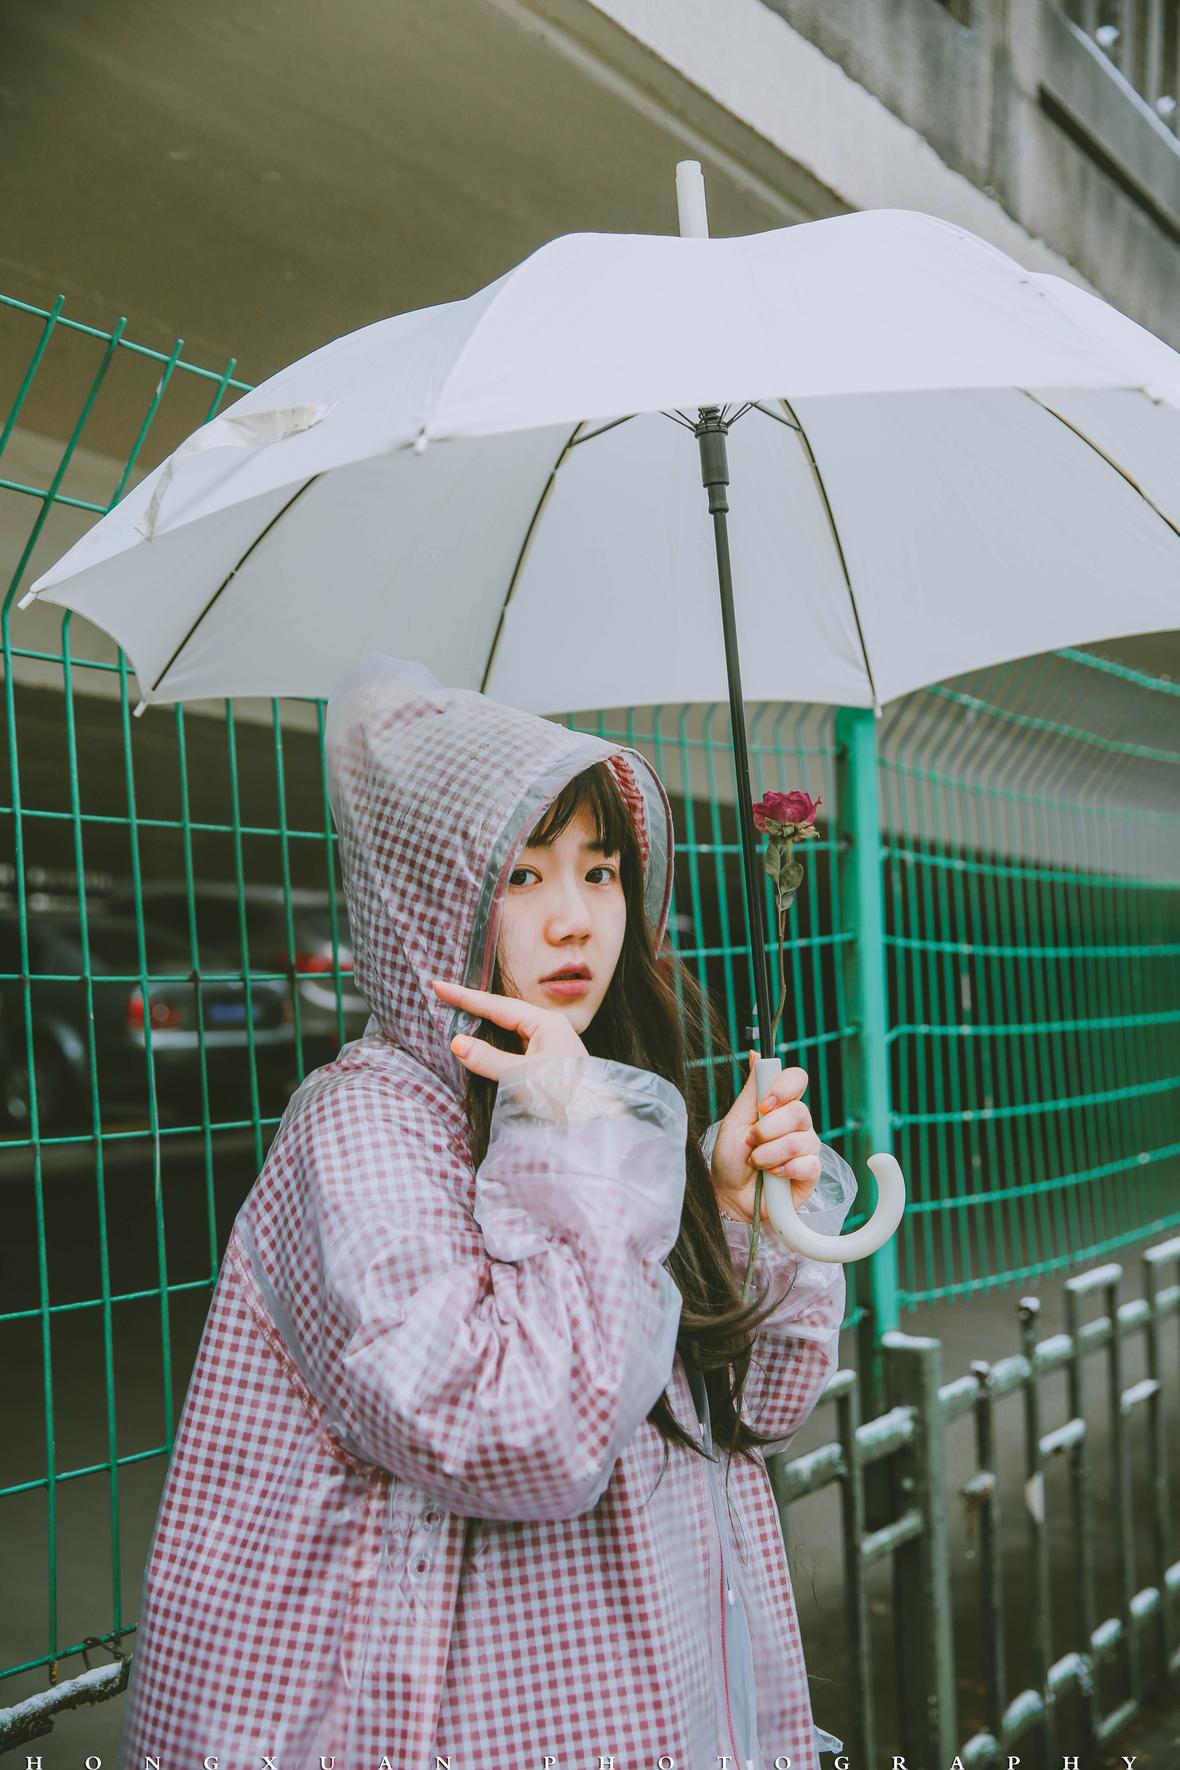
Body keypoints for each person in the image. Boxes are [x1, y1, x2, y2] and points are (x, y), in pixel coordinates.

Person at [118, 652, 856, 1769]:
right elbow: (527, 1434)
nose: (575, 921)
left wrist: (729, 1211)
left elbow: (761, 1407)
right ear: (431, 898)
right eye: (522, 875)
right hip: (457, 1719)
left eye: (601, 871)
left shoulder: (599, 1103)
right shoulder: (365, 1128)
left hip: (669, 1693)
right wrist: (586, 1149)